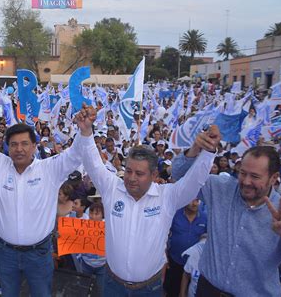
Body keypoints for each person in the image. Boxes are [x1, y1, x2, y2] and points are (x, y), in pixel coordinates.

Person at [73, 103, 220, 296]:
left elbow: (194, 182)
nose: (131, 178)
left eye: (139, 173)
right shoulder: (111, 188)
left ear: (153, 174)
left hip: (149, 289)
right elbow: (93, 163)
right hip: (112, 285)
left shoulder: (167, 196)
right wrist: (86, 130)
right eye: (128, 171)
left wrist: (208, 152)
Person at [0, 96, 84, 296]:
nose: (19, 149)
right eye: (14, 144)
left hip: (39, 254)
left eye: (25, 143)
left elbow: (75, 154)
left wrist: (85, 130)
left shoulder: (50, 168)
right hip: (6, 254)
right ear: (7, 147)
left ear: (34, 146)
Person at [172, 145, 281, 296]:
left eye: (255, 177)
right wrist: (195, 149)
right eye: (243, 173)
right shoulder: (219, 188)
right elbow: (179, 175)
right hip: (208, 290)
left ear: (274, 178)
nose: (246, 182)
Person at [163, 199, 207, 297]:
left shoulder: (205, 217)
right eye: (192, 200)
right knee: (172, 290)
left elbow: (208, 237)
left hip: (194, 265)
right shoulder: (175, 215)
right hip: (175, 261)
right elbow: (164, 233)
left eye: (198, 200)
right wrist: (164, 255)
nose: (195, 203)